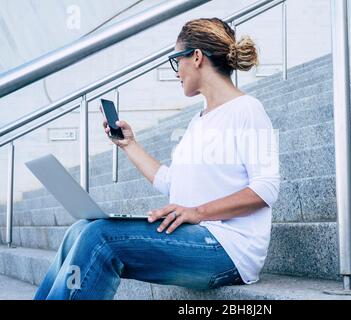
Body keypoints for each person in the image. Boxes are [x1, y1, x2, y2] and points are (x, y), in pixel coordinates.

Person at [34, 17, 280, 300]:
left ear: (197, 57)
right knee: (80, 229)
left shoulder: (247, 110)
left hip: (227, 249)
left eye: (177, 60)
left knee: (99, 237)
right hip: (197, 238)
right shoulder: (198, 121)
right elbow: (169, 181)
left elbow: (266, 188)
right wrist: (129, 145)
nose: (177, 72)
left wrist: (197, 212)